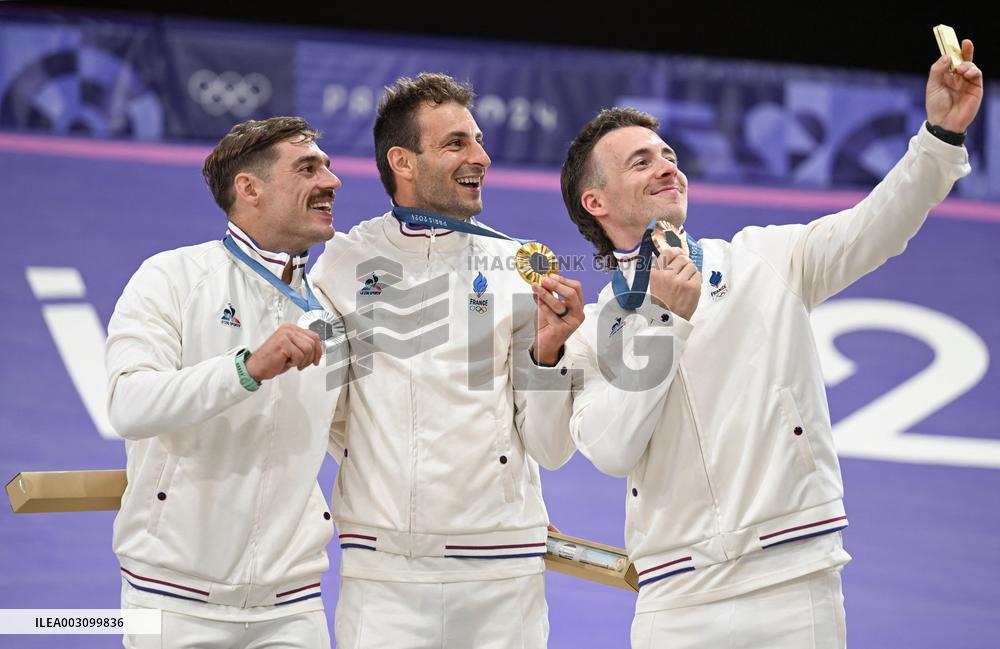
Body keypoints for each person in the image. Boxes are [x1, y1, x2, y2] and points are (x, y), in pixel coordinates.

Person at [559, 43, 983, 648]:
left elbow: (880, 224)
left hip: (794, 580)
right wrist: (660, 319)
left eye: (669, 156)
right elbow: (611, 446)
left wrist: (939, 134)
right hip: (675, 600)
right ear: (595, 201)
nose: (667, 167)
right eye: (640, 162)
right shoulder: (591, 328)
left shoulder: (765, 257)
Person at [309, 73, 582, 648]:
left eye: (477, 141)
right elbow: (326, 415)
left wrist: (550, 353)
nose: (480, 157)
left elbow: (552, 448)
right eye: (456, 143)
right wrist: (385, 481)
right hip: (384, 577)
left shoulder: (521, 265)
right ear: (402, 161)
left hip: (502, 576)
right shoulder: (342, 263)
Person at [106, 116, 347, 649]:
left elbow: (368, 437)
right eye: (308, 168)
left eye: (327, 166)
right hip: (171, 600)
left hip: (294, 605)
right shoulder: (170, 277)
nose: (332, 181)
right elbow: (129, 405)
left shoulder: (335, 307)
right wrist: (246, 368)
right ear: (249, 188)